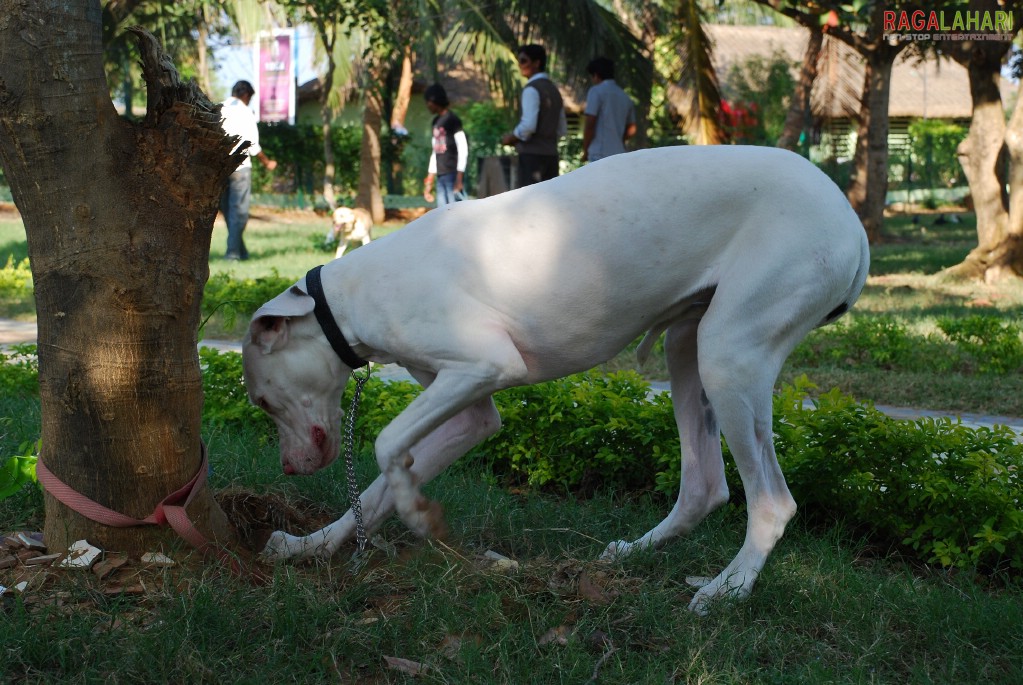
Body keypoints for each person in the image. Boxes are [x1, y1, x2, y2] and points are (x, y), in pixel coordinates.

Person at [219, 80, 277, 261]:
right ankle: (233, 253)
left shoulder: (219, 108)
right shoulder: (245, 112)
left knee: (228, 210)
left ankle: (240, 251)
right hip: (240, 167)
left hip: (220, 166)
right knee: (239, 211)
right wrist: (267, 162)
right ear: (246, 95)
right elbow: (253, 144)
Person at [501, 44, 567, 187]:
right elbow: (562, 129)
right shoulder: (554, 91)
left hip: (532, 158)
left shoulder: (531, 89)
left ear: (537, 63)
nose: (520, 65)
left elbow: (528, 126)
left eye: (524, 61)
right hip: (552, 156)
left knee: (530, 204)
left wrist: (511, 137)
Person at [582, 57, 637, 163]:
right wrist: (619, 140)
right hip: (619, 153)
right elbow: (632, 129)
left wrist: (586, 149)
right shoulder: (624, 96)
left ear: (596, 75)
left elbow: (590, 123)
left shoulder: (596, 91)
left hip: (599, 152)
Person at [422, 84, 468, 208]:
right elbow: (435, 150)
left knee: (455, 212)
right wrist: (430, 178)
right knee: (442, 213)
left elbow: (463, 148)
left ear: (434, 100)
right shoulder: (435, 122)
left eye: (428, 101)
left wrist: (459, 177)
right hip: (441, 175)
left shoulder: (453, 120)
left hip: (452, 174)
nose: (427, 105)